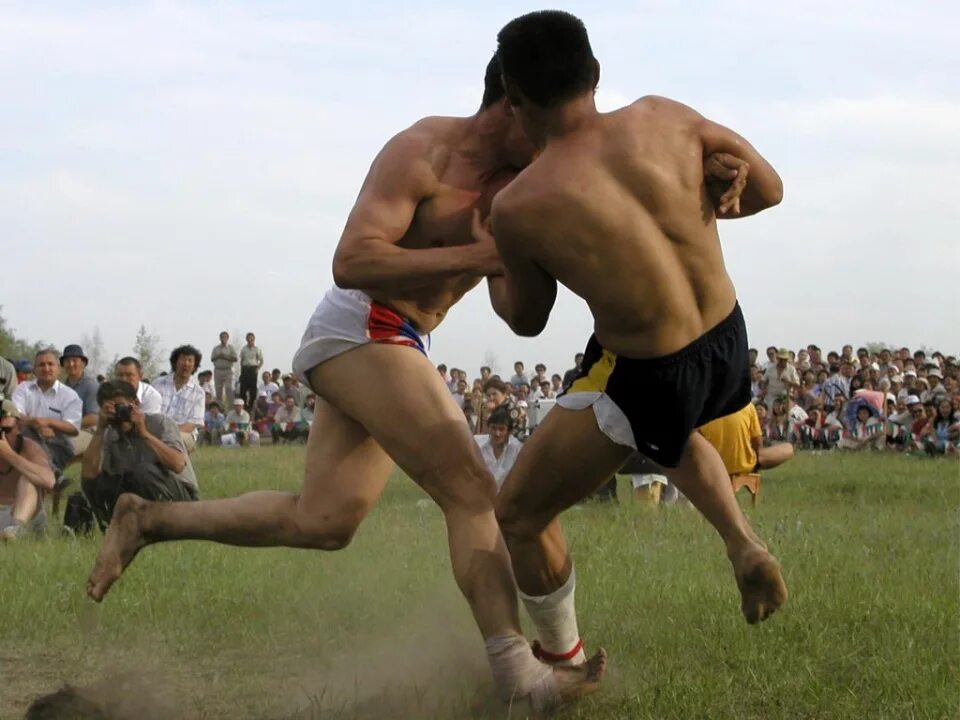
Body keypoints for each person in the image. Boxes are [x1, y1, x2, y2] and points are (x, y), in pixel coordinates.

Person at [86, 54, 745, 710]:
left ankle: (148, 519)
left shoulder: (531, 178)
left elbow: (593, 234)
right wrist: (486, 254)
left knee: (325, 519)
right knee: (474, 491)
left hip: (402, 338)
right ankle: (519, 673)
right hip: (363, 323)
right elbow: (352, 260)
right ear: (511, 104)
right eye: (544, 119)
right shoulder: (424, 151)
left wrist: (700, 182)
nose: (558, 137)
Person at [475, 11, 786, 672]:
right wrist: (716, 181)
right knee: (663, 431)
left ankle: (561, 664)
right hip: (726, 334)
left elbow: (527, 321)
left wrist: (491, 260)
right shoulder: (666, 117)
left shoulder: (520, 205)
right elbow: (766, 190)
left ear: (515, 100)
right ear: (594, 74)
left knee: (519, 514)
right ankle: (742, 543)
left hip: (652, 368)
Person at [81, 381, 198, 530]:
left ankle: (164, 528)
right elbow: (89, 475)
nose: (117, 413)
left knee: (142, 471)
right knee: (93, 482)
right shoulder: (109, 434)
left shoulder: (160, 423)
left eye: (120, 406)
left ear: (135, 403)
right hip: (138, 494)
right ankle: (114, 529)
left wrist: (145, 434)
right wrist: (100, 429)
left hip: (180, 498)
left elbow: (178, 465)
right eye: (110, 409)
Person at [11, 348, 82, 475]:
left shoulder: (70, 395)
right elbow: (15, 415)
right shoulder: (23, 389)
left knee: (28, 435)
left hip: (58, 445)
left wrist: (47, 422)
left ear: (59, 369)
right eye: (41, 365)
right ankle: (52, 473)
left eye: (50, 364)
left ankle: (47, 472)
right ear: (34, 369)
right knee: (27, 432)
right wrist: (36, 424)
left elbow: (73, 427)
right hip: (27, 441)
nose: (46, 368)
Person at [0, 399, 55, 540]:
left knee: (28, 479)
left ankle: (16, 530)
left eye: (6, 430)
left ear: (18, 427)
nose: (2, 436)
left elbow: (49, 481)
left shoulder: (29, 448)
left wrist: (9, 455)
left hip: (24, 515)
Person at [699, 403, 794, 478]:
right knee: (788, 448)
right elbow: (757, 444)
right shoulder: (747, 406)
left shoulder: (700, 406)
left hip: (709, 465)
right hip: (742, 464)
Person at [151, 345, 206, 452]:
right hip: (155, 431)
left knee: (172, 441)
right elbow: (150, 413)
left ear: (195, 366)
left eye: (190, 361)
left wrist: (167, 433)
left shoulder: (199, 393)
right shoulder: (157, 384)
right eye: (183, 360)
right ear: (175, 362)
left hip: (183, 435)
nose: (186, 364)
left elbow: (191, 425)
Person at [61, 344, 100, 459]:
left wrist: (65, 427)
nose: (71, 364)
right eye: (67, 361)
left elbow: (93, 418)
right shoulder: (63, 387)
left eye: (74, 360)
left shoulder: (91, 385)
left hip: (89, 432)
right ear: (63, 364)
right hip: (66, 430)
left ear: (83, 363)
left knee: (63, 447)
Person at [474, 406, 524, 491]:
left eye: (501, 429)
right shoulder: (476, 443)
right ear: (488, 428)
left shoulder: (517, 449)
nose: (497, 433)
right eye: (493, 428)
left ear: (509, 432)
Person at [211, 331, 238, 407]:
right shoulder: (216, 348)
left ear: (227, 338)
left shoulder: (230, 348)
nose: (223, 338)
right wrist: (218, 356)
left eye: (225, 337)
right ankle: (220, 408)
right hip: (218, 370)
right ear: (220, 338)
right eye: (222, 337)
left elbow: (235, 359)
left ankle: (231, 408)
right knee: (218, 390)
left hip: (228, 370)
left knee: (229, 389)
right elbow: (212, 358)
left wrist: (225, 356)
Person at [239, 333, 263, 410]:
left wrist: (257, 369)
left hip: (253, 369)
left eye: (251, 338)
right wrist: (242, 369)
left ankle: (251, 405)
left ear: (254, 339)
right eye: (248, 338)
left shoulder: (257, 349)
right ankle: (244, 406)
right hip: (245, 369)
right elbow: (241, 360)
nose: (250, 340)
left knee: (253, 390)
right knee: (243, 389)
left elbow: (261, 360)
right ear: (246, 339)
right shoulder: (243, 349)